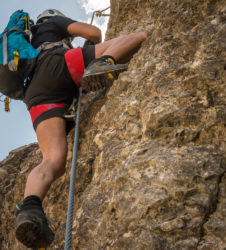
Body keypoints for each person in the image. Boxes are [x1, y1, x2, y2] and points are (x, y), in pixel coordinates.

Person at [15, 9, 147, 249]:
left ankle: (30, 209)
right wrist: (91, 45)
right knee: (139, 36)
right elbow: (94, 32)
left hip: (35, 94)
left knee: (52, 160)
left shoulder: (29, 43)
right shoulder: (52, 22)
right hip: (56, 65)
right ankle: (103, 64)